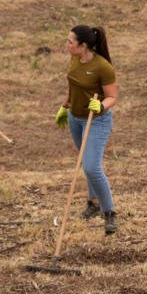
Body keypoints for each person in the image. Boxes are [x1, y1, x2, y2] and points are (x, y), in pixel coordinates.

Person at [55, 25, 119, 234]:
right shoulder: (75, 58)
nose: (67, 45)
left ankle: (109, 212)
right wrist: (65, 107)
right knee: (85, 161)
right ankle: (93, 203)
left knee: (92, 167)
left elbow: (112, 97)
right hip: (76, 117)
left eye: (70, 42)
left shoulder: (103, 67)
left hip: (97, 120)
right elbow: (73, 85)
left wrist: (101, 105)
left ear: (83, 46)